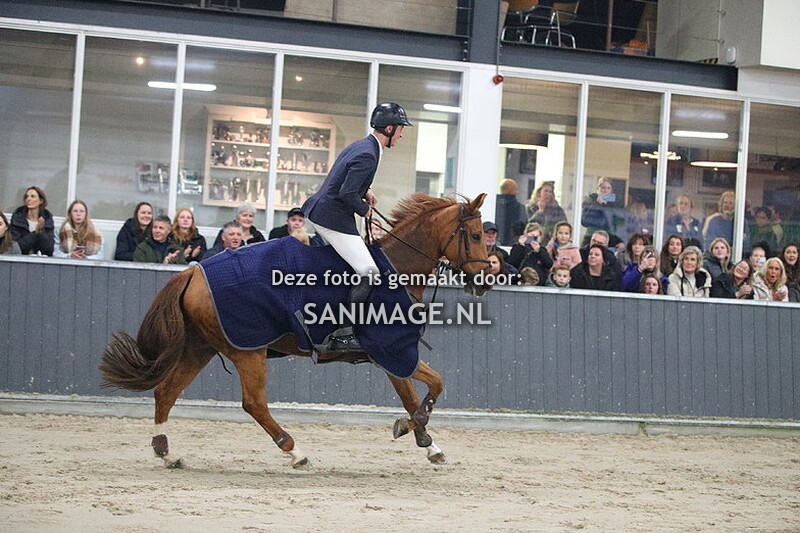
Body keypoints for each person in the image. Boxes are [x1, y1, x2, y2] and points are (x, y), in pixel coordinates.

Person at [301, 101, 412, 351]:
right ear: (390, 129)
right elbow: (347, 193)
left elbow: (346, 177)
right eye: (401, 129)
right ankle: (343, 334)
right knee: (370, 272)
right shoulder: (368, 154)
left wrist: (367, 190)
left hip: (326, 211)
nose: (402, 134)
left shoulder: (363, 146)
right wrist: (364, 209)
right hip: (331, 217)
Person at [9, 186, 54, 256]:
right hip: (20, 259)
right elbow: (17, 247)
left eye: (33, 196)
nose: (29, 199)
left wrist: (41, 232)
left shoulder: (47, 220)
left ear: (41, 201)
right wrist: (35, 232)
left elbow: (49, 249)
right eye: (27, 197)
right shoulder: (17, 219)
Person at [580, 177, 623, 247]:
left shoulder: (615, 204)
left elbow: (618, 224)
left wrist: (620, 241)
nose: (605, 190)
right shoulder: (590, 200)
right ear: (598, 188)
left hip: (609, 240)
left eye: (608, 188)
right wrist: (597, 204)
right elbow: (584, 221)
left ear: (611, 190)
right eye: (603, 188)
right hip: (591, 238)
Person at [495, 178, 527, 246]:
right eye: (516, 189)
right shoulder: (519, 208)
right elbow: (523, 226)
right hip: (514, 244)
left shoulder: (493, 206)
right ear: (511, 190)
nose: (517, 192)